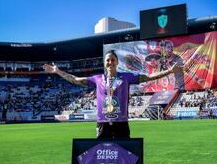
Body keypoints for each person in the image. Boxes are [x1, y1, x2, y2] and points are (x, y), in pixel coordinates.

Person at [43, 50, 182, 139]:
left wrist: (169, 71)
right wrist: (58, 71)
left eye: (112, 60)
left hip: (121, 123)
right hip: (103, 123)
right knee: (102, 154)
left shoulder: (126, 77)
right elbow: (75, 80)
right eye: (107, 60)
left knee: (124, 155)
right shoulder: (97, 79)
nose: (110, 62)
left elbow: (148, 77)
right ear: (104, 63)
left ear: (117, 62)